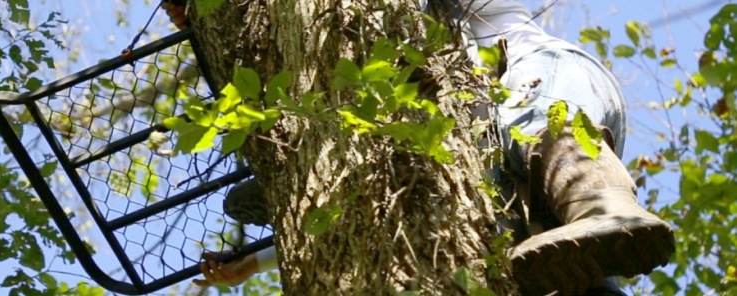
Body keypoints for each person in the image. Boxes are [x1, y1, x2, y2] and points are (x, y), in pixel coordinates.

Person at [162, 1, 675, 295]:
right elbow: (394, 202)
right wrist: (258, 262)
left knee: (533, 119)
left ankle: (607, 208)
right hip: (518, 173)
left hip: (548, 75)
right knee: (508, 240)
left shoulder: (476, 21)